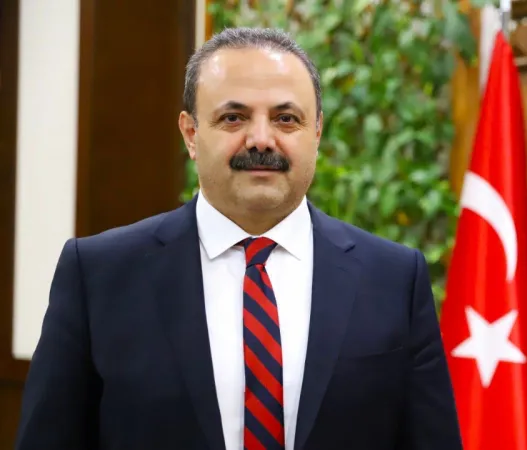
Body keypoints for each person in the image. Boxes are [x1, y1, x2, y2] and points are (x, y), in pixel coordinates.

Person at [15, 27, 462, 450]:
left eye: (286, 119)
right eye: (234, 118)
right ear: (191, 134)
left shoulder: (393, 279)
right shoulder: (99, 276)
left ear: (317, 132)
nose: (262, 140)